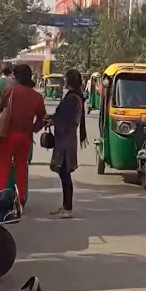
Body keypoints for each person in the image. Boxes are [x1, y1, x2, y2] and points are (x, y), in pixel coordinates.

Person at [0, 64, 46, 208]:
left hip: (9, 134)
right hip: (25, 136)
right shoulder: (37, 96)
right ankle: (21, 198)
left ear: (17, 76)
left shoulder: (12, 92)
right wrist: (33, 129)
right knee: (21, 167)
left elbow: (1, 108)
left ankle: (0, 196)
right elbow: (42, 117)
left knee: (3, 165)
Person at [49, 69, 89, 217]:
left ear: (69, 81)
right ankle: (66, 205)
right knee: (63, 172)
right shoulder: (75, 96)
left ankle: (68, 208)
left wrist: (52, 120)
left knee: (64, 172)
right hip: (68, 137)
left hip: (66, 138)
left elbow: (64, 117)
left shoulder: (72, 98)